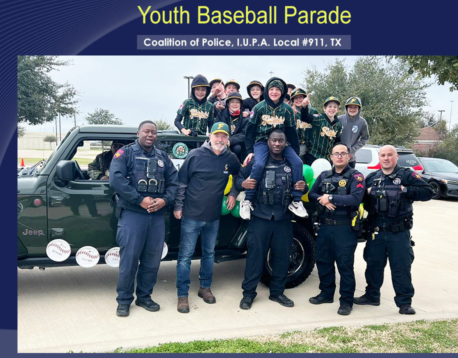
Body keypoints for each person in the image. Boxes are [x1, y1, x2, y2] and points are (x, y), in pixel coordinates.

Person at [109, 121, 179, 317]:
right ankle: (123, 300)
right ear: (138, 132)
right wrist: (140, 200)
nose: (150, 135)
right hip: (133, 214)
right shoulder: (126, 153)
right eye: (146, 131)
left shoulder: (162, 157)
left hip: (156, 216)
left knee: (152, 260)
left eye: (153, 132)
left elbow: (174, 183)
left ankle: (144, 297)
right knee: (129, 260)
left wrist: (165, 201)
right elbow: (116, 180)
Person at [235, 129, 308, 310]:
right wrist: (242, 184)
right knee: (255, 258)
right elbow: (238, 179)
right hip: (260, 217)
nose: (277, 144)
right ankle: (248, 294)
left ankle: (277, 293)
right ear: (268, 142)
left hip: (283, 218)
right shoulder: (256, 162)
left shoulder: (291, 163)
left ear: (285, 143)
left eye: (280, 141)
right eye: (274, 140)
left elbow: (302, 187)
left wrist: (304, 188)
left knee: (282, 257)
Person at [354, 145, 432, 314]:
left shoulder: (406, 175)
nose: (386, 158)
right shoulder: (373, 177)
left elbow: (428, 192)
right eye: (383, 155)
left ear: (396, 157)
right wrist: (366, 193)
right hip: (376, 232)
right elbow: (358, 198)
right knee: (373, 265)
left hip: (398, 232)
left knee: (401, 267)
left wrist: (405, 190)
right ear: (379, 158)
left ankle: (404, 303)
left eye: (390, 155)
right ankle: (372, 296)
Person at [174, 122, 241, 313]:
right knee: (185, 257)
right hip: (191, 215)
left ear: (228, 139)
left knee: (209, 254)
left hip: (213, 216)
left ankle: (204, 288)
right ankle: (182, 295)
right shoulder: (195, 155)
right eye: (217, 135)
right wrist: (178, 206)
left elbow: (240, 175)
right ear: (209, 136)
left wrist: (234, 193)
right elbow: (182, 183)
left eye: (224, 136)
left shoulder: (231, 157)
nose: (220, 139)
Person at [308, 143, 365, 316]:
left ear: (349, 156)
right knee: (324, 262)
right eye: (336, 154)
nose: (339, 156)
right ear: (331, 157)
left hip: (345, 228)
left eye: (343, 153)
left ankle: (346, 301)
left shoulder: (356, 176)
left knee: (344, 266)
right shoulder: (324, 175)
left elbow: (355, 198)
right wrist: (322, 199)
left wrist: (331, 197)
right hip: (325, 226)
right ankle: (326, 294)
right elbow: (312, 194)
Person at [241, 77, 307, 220]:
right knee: (258, 164)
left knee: (298, 163)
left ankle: (296, 201)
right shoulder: (258, 108)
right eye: (271, 89)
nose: (274, 92)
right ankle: (247, 200)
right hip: (262, 141)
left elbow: (291, 132)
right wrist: (249, 151)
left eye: (278, 89)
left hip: (282, 143)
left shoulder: (288, 110)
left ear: (282, 92)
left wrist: (294, 152)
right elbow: (250, 131)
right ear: (267, 91)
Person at [300, 96, 343, 166]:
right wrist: (304, 107)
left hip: (328, 159)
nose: (332, 108)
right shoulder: (319, 118)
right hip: (313, 156)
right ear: (324, 108)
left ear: (338, 110)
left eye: (335, 107)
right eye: (330, 106)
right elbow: (305, 118)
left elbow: (337, 141)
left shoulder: (338, 124)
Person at [215, 91, 249, 161]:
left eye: (237, 102)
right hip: (221, 142)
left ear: (240, 104)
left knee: (237, 148)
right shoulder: (221, 115)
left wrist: (230, 140)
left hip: (238, 147)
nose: (235, 104)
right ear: (228, 104)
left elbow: (244, 134)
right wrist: (224, 140)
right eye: (232, 102)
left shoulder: (245, 118)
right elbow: (215, 129)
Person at [338, 97, 370, 168]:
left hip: (350, 159)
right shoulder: (339, 119)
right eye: (350, 107)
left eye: (355, 107)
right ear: (346, 108)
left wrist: (352, 149)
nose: (352, 109)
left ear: (359, 109)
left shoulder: (362, 122)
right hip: (337, 158)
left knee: (350, 178)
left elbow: (365, 138)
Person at [290, 88, 317, 158]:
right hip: (297, 145)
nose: (298, 100)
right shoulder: (290, 111)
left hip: (312, 145)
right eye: (295, 98)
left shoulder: (313, 111)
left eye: (300, 97)